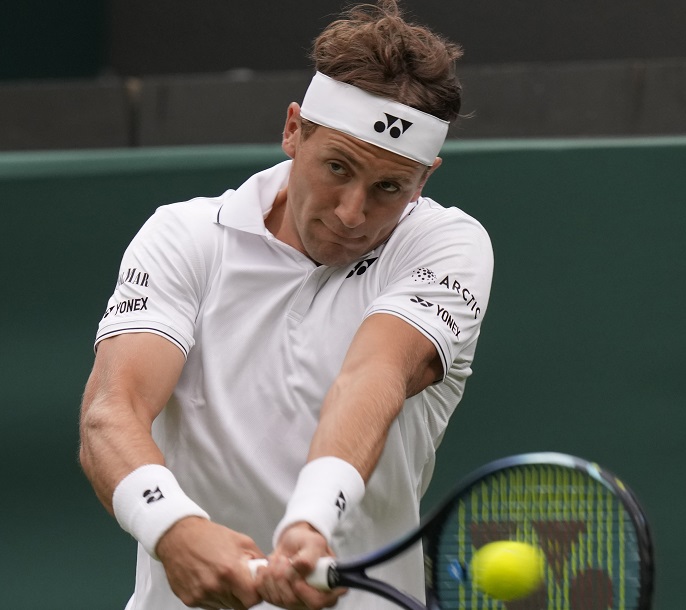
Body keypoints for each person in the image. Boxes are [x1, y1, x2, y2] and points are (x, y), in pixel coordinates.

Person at [78, 2, 493, 609]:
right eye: (337, 168)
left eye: (388, 188)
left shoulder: (446, 245)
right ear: (294, 129)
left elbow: (372, 378)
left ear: (424, 179)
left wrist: (311, 524)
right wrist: (171, 528)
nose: (353, 212)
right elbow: (110, 414)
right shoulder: (185, 236)